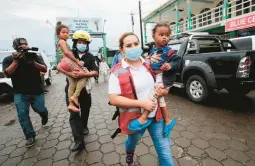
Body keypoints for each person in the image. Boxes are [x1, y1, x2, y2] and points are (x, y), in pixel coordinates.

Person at [109, 32, 174, 166]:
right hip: (136, 120)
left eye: (136, 44)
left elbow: (164, 77)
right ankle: (129, 153)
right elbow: (114, 99)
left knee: (165, 154)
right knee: (132, 143)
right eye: (128, 45)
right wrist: (141, 103)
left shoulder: (150, 63)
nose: (133, 47)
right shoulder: (116, 71)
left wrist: (165, 89)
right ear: (122, 49)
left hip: (157, 116)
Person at [128, 22, 180, 138]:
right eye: (161, 34)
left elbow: (178, 60)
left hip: (163, 77)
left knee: (153, 94)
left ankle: (143, 117)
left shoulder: (169, 51)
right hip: (156, 78)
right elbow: (147, 61)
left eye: (166, 35)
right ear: (153, 36)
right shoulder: (153, 50)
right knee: (161, 99)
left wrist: (171, 65)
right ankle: (167, 121)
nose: (164, 37)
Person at [57, 30, 99, 152]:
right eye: (79, 42)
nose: (82, 44)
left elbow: (96, 72)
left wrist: (83, 74)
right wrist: (69, 73)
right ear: (75, 43)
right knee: (73, 115)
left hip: (85, 91)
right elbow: (59, 67)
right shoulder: (69, 54)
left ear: (87, 44)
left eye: (84, 43)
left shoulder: (91, 57)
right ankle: (79, 141)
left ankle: (84, 126)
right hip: (71, 90)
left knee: (85, 111)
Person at [2, 38, 48, 148]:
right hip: (20, 92)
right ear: (15, 47)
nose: (24, 46)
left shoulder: (34, 56)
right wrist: (16, 61)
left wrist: (33, 63)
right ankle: (29, 136)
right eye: (21, 45)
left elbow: (44, 69)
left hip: (36, 90)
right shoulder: (9, 59)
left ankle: (44, 114)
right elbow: (7, 73)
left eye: (26, 44)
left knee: (40, 108)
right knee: (22, 115)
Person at [56, 24, 86, 113]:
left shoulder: (62, 42)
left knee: (72, 84)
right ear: (58, 35)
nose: (65, 34)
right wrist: (77, 61)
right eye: (63, 32)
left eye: (67, 32)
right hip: (67, 61)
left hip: (63, 63)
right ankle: (75, 96)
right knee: (83, 76)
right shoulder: (62, 41)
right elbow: (67, 53)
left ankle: (71, 104)